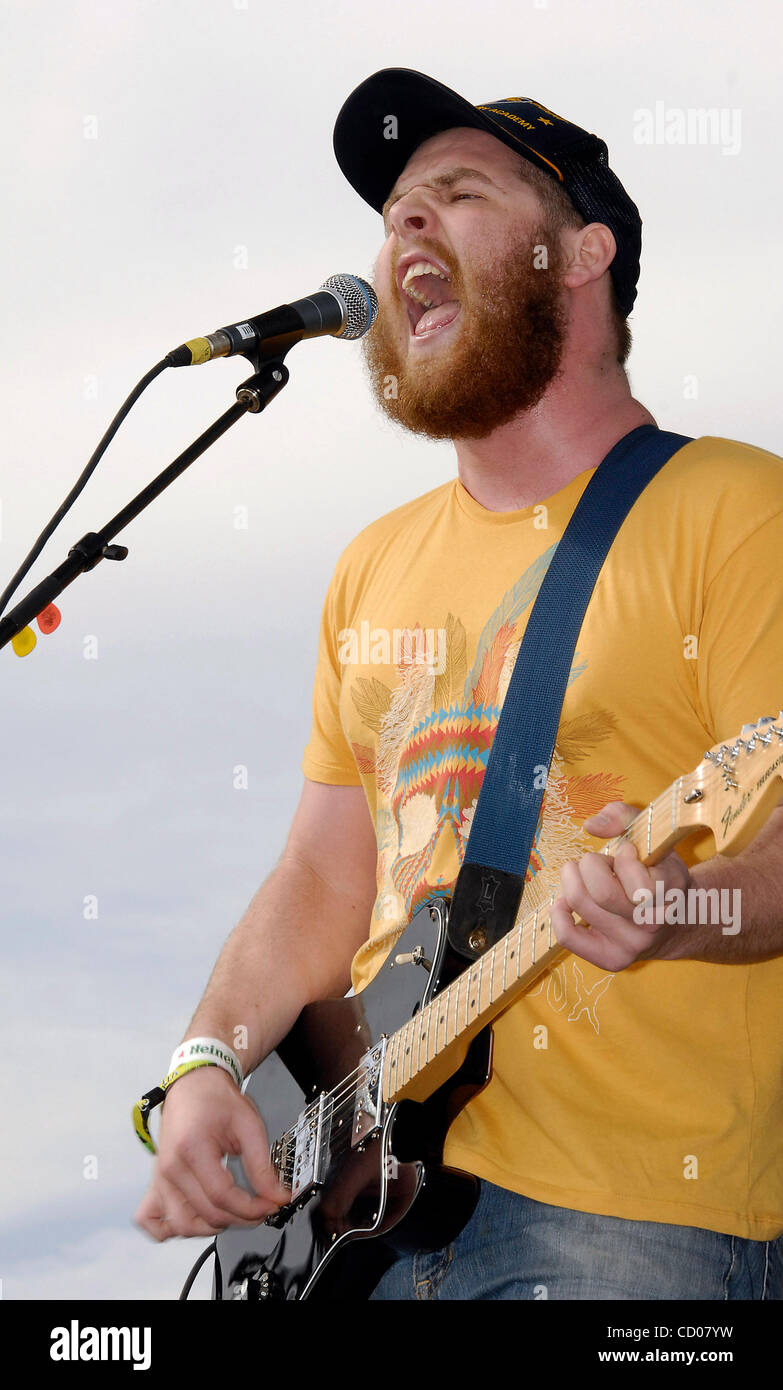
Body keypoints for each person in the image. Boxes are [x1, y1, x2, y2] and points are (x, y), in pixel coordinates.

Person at [134, 69, 783, 1300]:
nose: (402, 230)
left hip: (635, 1220)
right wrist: (209, 1059)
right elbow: (324, 877)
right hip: (365, 1225)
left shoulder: (740, 511)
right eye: (391, 218)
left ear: (581, 253)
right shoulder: (370, 566)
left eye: (456, 193)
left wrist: (687, 907)